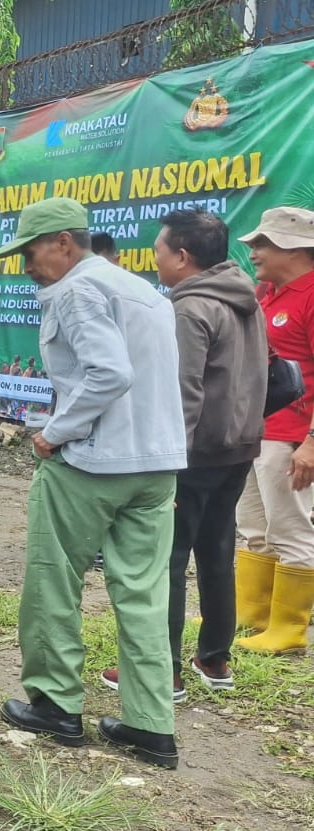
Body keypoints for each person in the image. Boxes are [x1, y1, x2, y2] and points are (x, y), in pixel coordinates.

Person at [0, 198, 187, 770]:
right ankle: (151, 725)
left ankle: (55, 705)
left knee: (53, 579)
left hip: (93, 463)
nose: (27, 266)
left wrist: (55, 432)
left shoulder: (77, 289)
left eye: (30, 252)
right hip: (156, 464)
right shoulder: (144, 291)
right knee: (145, 595)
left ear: (63, 243)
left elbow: (109, 373)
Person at [101, 209, 264, 697]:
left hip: (193, 453)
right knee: (217, 552)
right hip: (238, 447)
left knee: (166, 559)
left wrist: (168, 465)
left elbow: (183, 392)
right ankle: (215, 660)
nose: (154, 260)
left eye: (159, 251)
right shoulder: (246, 298)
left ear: (182, 256)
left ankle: (162, 670)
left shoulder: (189, 309)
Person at [234, 205, 314, 655]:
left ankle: (289, 631)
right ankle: (253, 615)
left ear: (293, 248)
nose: (254, 253)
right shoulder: (268, 295)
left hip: (292, 438)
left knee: (291, 529)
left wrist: (311, 443)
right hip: (256, 430)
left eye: (262, 244)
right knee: (253, 526)